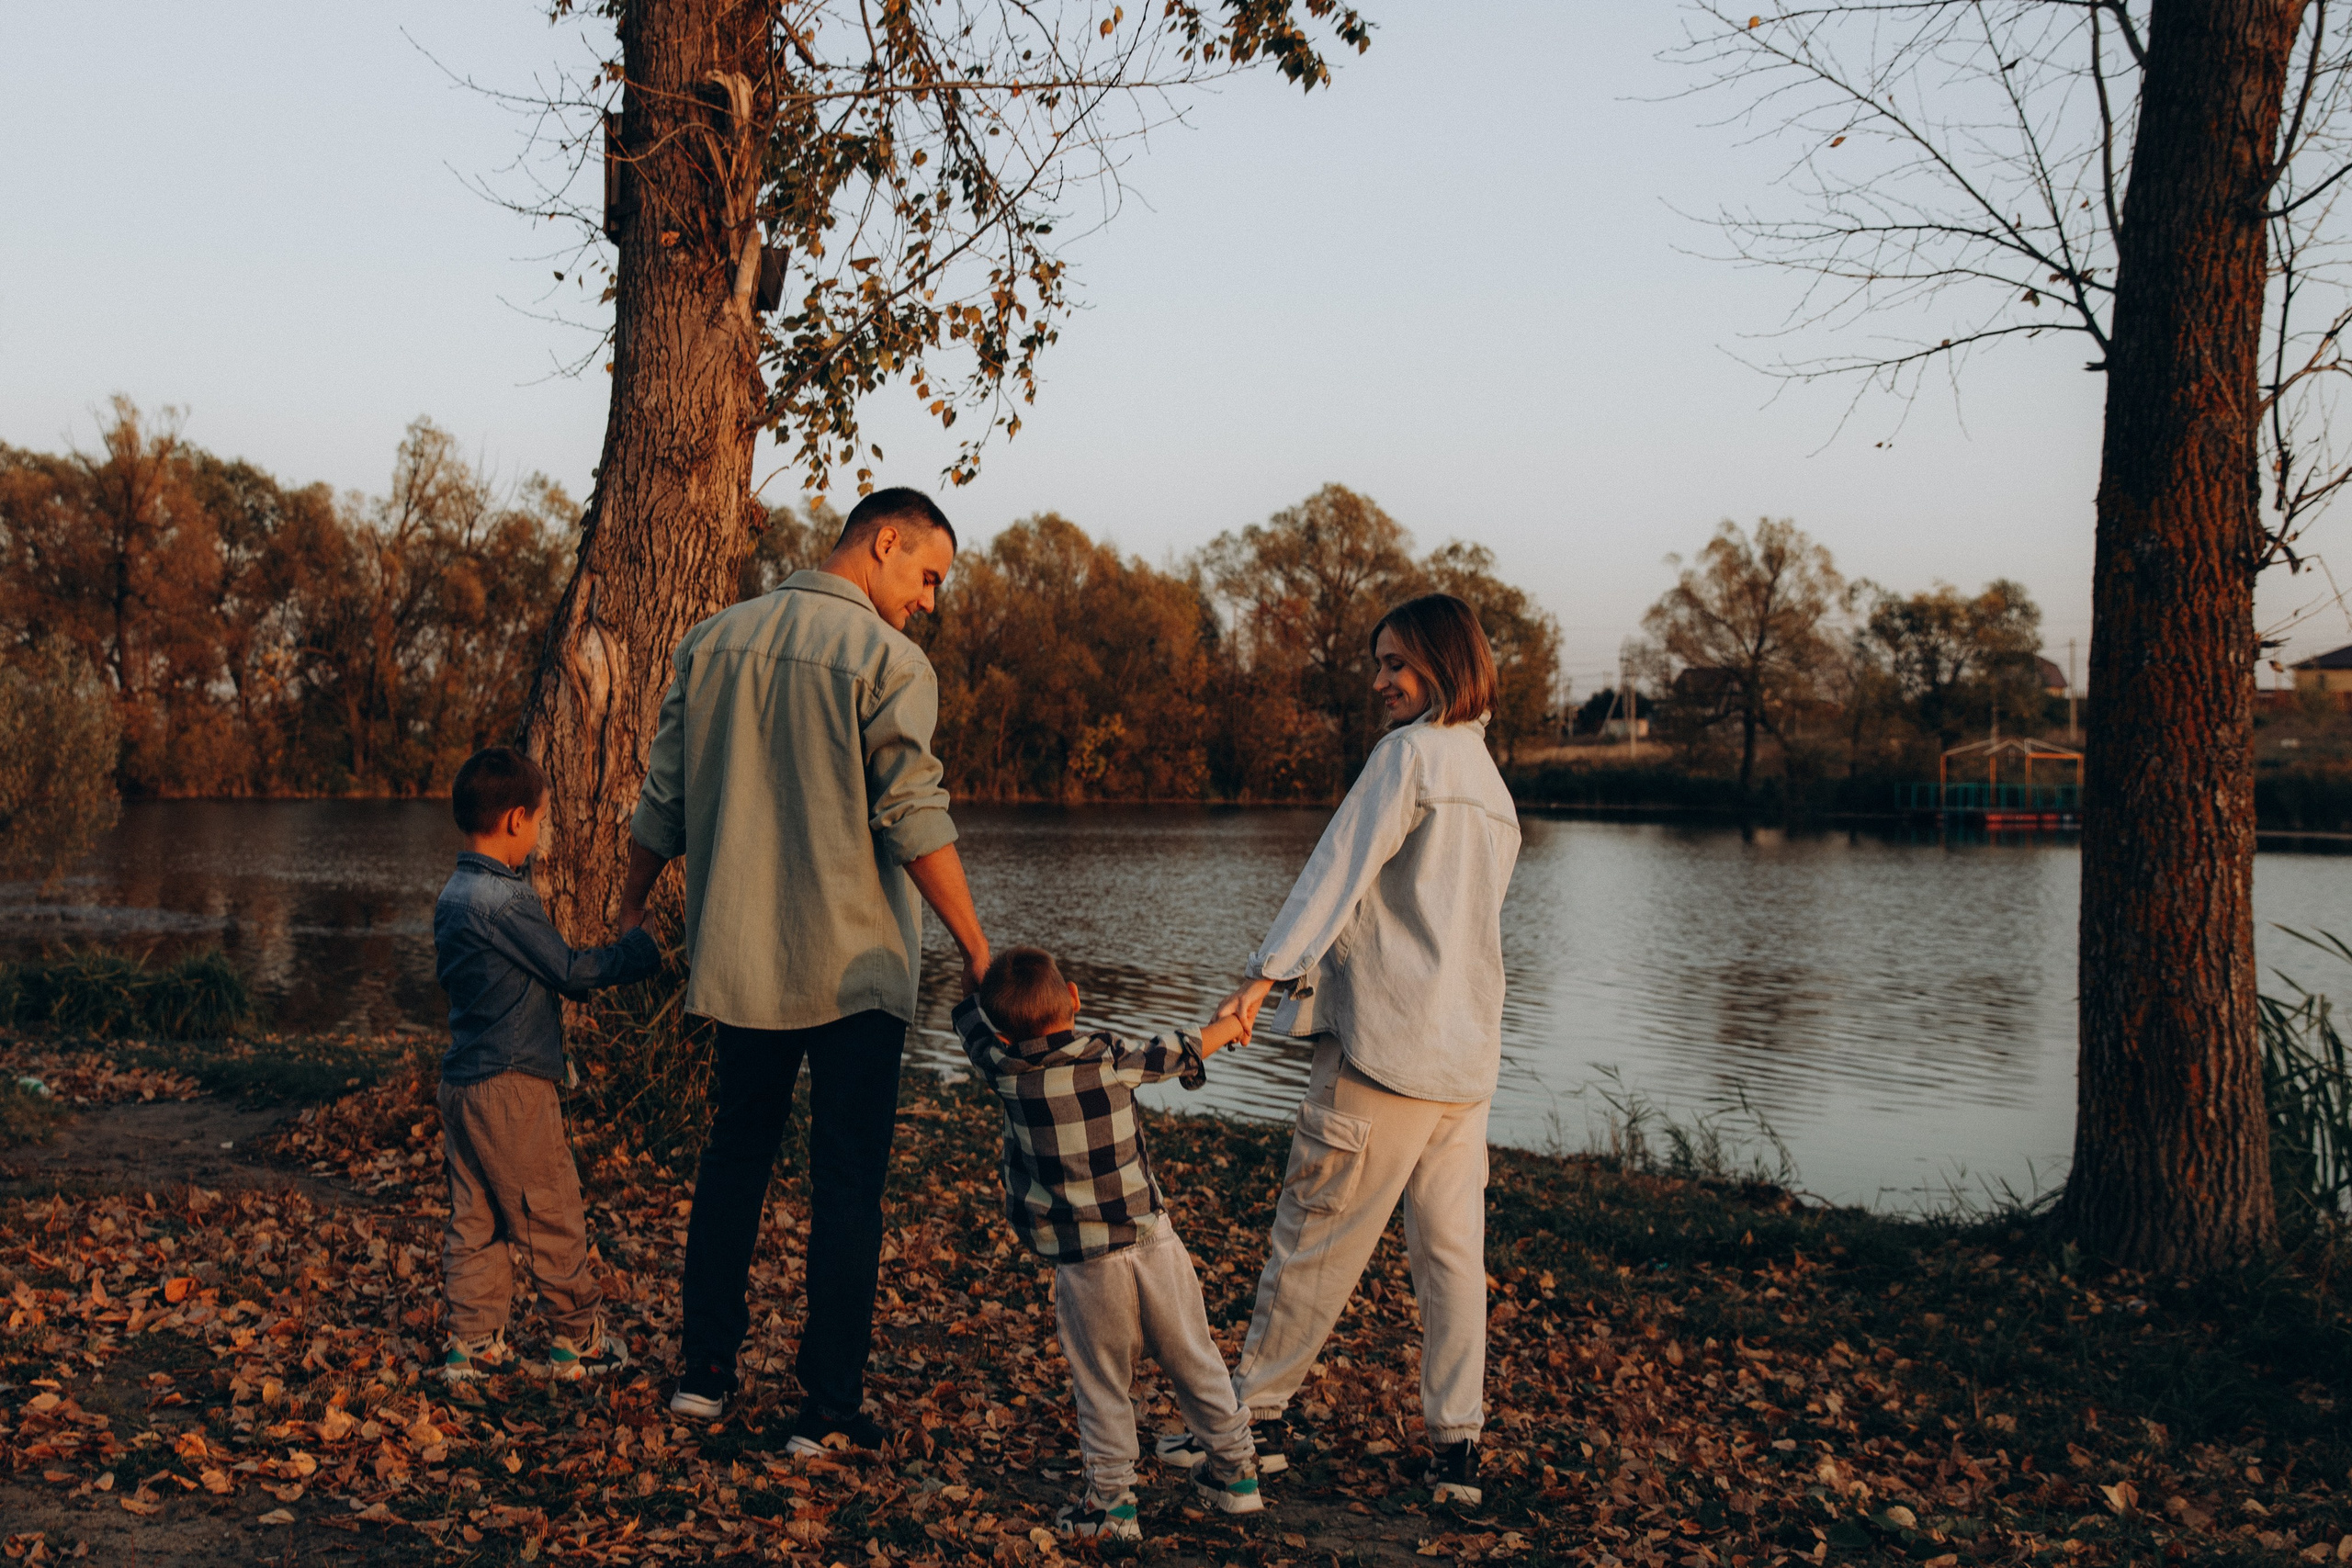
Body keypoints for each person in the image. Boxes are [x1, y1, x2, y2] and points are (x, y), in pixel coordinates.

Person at [618, 487, 991, 1450]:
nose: (929, 602)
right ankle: (826, 1409)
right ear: (883, 542)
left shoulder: (711, 642)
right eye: (927, 577)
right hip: (856, 971)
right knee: (848, 1185)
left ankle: (704, 1375)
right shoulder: (889, 662)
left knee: (733, 1159)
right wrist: (978, 948)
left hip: (744, 958)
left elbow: (662, 801)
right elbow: (912, 814)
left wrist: (627, 911)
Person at [1164, 592, 1520, 1506]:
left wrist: (1263, 977)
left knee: (1314, 1237)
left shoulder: (1408, 758)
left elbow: (1336, 871)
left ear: (1444, 662)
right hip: (1464, 1061)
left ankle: (1246, 1423)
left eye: (1396, 663)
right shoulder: (1490, 783)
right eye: (1379, 664)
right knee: (1451, 1258)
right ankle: (1457, 1450)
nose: (1380, 682)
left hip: (1387, 1050)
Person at [950, 947, 1262, 1540]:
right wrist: (1234, 1021)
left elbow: (971, 1028)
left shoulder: (1004, 1070)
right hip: (1155, 1241)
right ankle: (1237, 1475)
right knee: (1196, 1360)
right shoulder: (1109, 1057)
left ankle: (1113, 1506)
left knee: (1101, 1382)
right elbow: (1182, 1047)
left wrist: (974, 984)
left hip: (1086, 1264)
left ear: (1002, 1030)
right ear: (1074, 997)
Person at [432, 745, 661, 1385]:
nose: (539, 832)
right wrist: (637, 952)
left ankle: (473, 1344)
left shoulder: (453, 893)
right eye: (539, 820)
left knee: (475, 1216)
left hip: (462, 1080)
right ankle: (577, 1339)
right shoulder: (505, 899)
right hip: (512, 1085)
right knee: (549, 1210)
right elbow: (566, 968)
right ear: (514, 820)